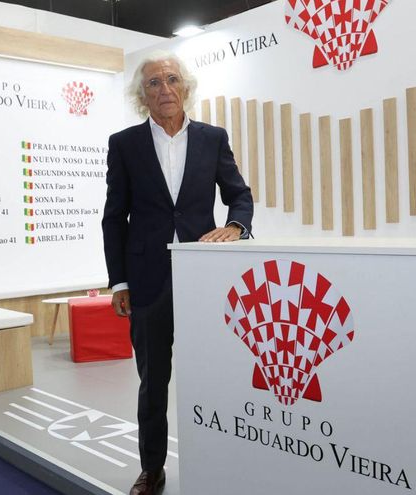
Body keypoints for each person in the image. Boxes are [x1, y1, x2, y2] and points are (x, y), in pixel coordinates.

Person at [102, 51, 253, 495]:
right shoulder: (125, 144)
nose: (164, 88)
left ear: (184, 87)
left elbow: (239, 196)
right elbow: (115, 218)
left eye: (171, 79)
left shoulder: (212, 138)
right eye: (153, 83)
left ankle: (220, 460)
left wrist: (234, 227)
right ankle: (152, 469)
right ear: (141, 95)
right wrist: (120, 281)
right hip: (146, 282)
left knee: (213, 375)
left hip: (204, 279)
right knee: (153, 382)